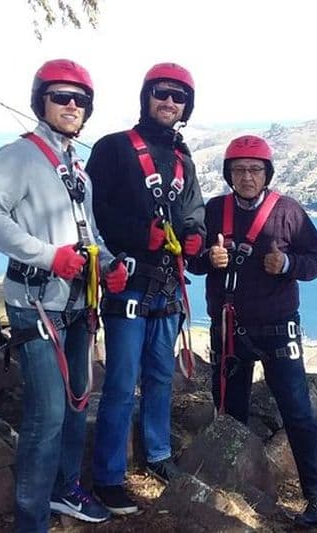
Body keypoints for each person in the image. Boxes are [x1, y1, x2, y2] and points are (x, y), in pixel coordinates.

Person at [0, 59, 128, 532]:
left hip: (77, 303)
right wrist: (48, 256)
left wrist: (110, 264)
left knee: (78, 401)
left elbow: (88, 232)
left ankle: (63, 490)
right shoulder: (18, 157)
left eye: (80, 100)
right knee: (47, 415)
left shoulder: (75, 168)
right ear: (41, 100)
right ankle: (31, 520)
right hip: (36, 304)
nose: (72, 106)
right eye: (61, 96)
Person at [186, 135, 317, 529]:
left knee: (298, 412)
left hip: (277, 330)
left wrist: (287, 264)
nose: (247, 177)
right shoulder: (215, 211)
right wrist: (207, 258)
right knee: (230, 413)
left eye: (254, 170)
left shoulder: (288, 212)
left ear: (266, 173)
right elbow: (193, 259)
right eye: (239, 170)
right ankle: (232, 486)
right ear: (229, 174)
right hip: (230, 329)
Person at [85, 62, 206, 514]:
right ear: (146, 96)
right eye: (162, 93)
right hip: (129, 287)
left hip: (167, 289)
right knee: (119, 382)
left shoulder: (182, 162)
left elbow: (193, 215)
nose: (169, 102)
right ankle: (109, 476)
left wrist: (193, 239)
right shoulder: (113, 149)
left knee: (159, 377)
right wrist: (143, 235)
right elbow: (94, 214)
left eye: (178, 97)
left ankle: (157, 455)